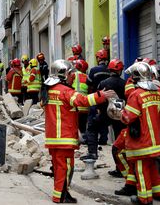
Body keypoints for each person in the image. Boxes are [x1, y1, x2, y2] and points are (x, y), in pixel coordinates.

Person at [44, 59, 115, 204]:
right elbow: (82, 101)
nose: (73, 77)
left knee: (58, 167)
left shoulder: (47, 90)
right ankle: (61, 196)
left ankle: (61, 193)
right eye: (71, 74)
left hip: (52, 138)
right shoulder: (65, 91)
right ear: (64, 74)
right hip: (64, 138)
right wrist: (101, 95)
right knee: (66, 168)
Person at [120, 62, 160, 205]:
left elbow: (128, 117)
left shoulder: (136, 94)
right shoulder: (157, 93)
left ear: (135, 77)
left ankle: (144, 199)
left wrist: (119, 112)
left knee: (141, 169)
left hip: (142, 140)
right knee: (152, 166)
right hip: (155, 140)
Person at [97, 59, 127, 178]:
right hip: (121, 116)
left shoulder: (103, 83)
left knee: (92, 129)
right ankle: (120, 168)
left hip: (105, 114)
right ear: (120, 70)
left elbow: (99, 98)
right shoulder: (125, 83)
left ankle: (92, 153)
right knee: (119, 143)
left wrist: (101, 111)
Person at [81, 49, 111, 160]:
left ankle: (92, 145)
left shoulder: (94, 70)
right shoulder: (109, 70)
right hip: (107, 98)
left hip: (96, 97)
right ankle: (104, 139)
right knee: (104, 118)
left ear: (98, 58)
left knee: (92, 122)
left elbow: (88, 83)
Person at [71, 59, 89, 139]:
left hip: (76, 104)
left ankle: (76, 138)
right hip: (85, 105)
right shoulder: (87, 77)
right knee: (83, 125)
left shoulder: (74, 75)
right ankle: (83, 138)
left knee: (75, 123)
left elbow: (68, 84)